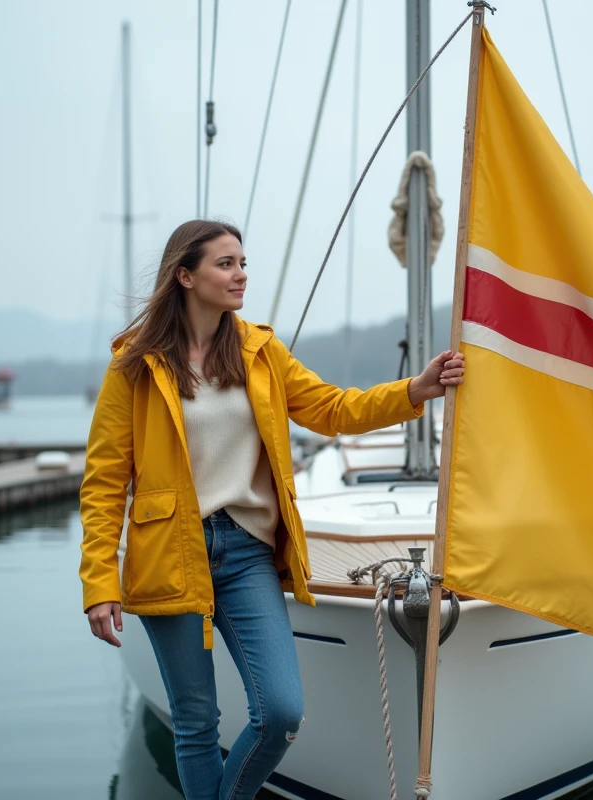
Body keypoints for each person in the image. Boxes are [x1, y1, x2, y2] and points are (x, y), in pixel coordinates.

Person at [78, 219, 465, 800]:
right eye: (225, 264)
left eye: (242, 262)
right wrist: (99, 581)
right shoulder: (134, 365)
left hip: (245, 552)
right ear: (185, 276)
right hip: (168, 553)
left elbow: (333, 409)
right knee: (195, 723)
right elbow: (104, 481)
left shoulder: (260, 351)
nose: (241, 275)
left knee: (281, 712)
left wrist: (416, 389)